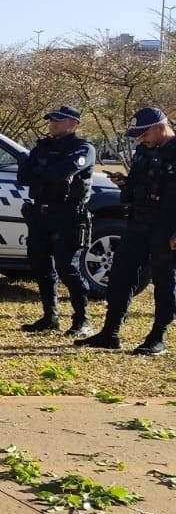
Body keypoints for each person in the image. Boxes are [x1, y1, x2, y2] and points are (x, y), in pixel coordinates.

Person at [82, 107, 176, 355]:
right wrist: (125, 184)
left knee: (164, 282)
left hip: (167, 227)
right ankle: (110, 333)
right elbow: (137, 183)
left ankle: (158, 337)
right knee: (121, 276)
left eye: (143, 134)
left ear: (159, 127)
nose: (140, 139)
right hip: (138, 222)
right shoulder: (144, 151)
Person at [17, 105, 96, 338]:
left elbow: (62, 171)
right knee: (41, 266)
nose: (52, 124)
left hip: (68, 215)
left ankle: (82, 320)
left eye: (58, 121)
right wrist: (46, 169)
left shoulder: (84, 148)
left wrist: (41, 169)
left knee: (67, 268)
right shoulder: (43, 147)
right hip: (40, 213)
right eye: (51, 120)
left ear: (73, 124)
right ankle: (50, 316)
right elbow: (23, 176)